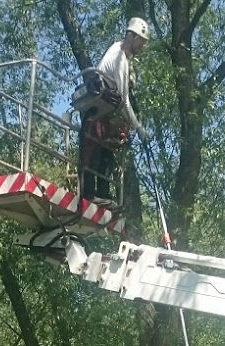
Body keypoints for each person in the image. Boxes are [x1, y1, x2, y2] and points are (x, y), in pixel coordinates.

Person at [78, 17, 149, 205]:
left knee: (105, 150)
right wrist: (138, 127)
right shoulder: (120, 58)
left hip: (102, 110)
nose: (142, 46)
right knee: (91, 151)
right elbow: (124, 102)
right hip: (96, 110)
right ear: (132, 36)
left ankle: (102, 194)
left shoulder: (118, 51)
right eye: (141, 41)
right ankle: (89, 195)